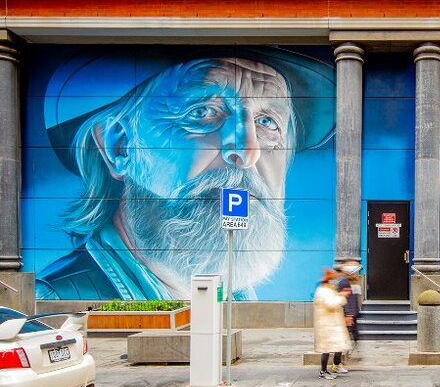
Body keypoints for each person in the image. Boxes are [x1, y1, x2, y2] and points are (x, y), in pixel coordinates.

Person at [35, 47, 335, 301]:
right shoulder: (59, 298)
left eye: (268, 122)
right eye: (202, 112)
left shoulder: (237, 296)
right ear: (120, 147)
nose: (246, 153)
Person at [313, 269, 351, 380]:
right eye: (331, 279)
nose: (333, 281)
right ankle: (323, 371)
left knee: (333, 346)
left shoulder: (327, 289)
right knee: (326, 349)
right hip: (327, 325)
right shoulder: (322, 291)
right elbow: (331, 304)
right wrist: (342, 296)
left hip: (331, 324)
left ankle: (332, 367)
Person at [334, 259, 362, 362]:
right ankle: (337, 363)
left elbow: (354, 299)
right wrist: (348, 314)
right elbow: (344, 300)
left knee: (354, 336)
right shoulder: (344, 282)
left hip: (352, 314)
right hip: (348, 315)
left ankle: (349, 356)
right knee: (343, 339)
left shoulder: (352, 281)